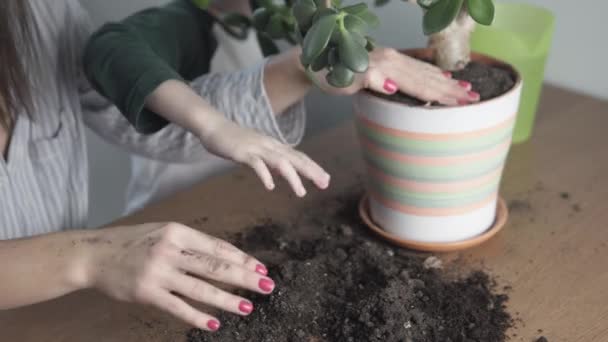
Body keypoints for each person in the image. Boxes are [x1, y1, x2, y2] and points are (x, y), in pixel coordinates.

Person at [0, 0, 477, 334]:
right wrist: (89, 255)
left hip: (65, 315)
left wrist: (298, 71)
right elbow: (115, 49)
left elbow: (120, 105)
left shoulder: (34, 10)